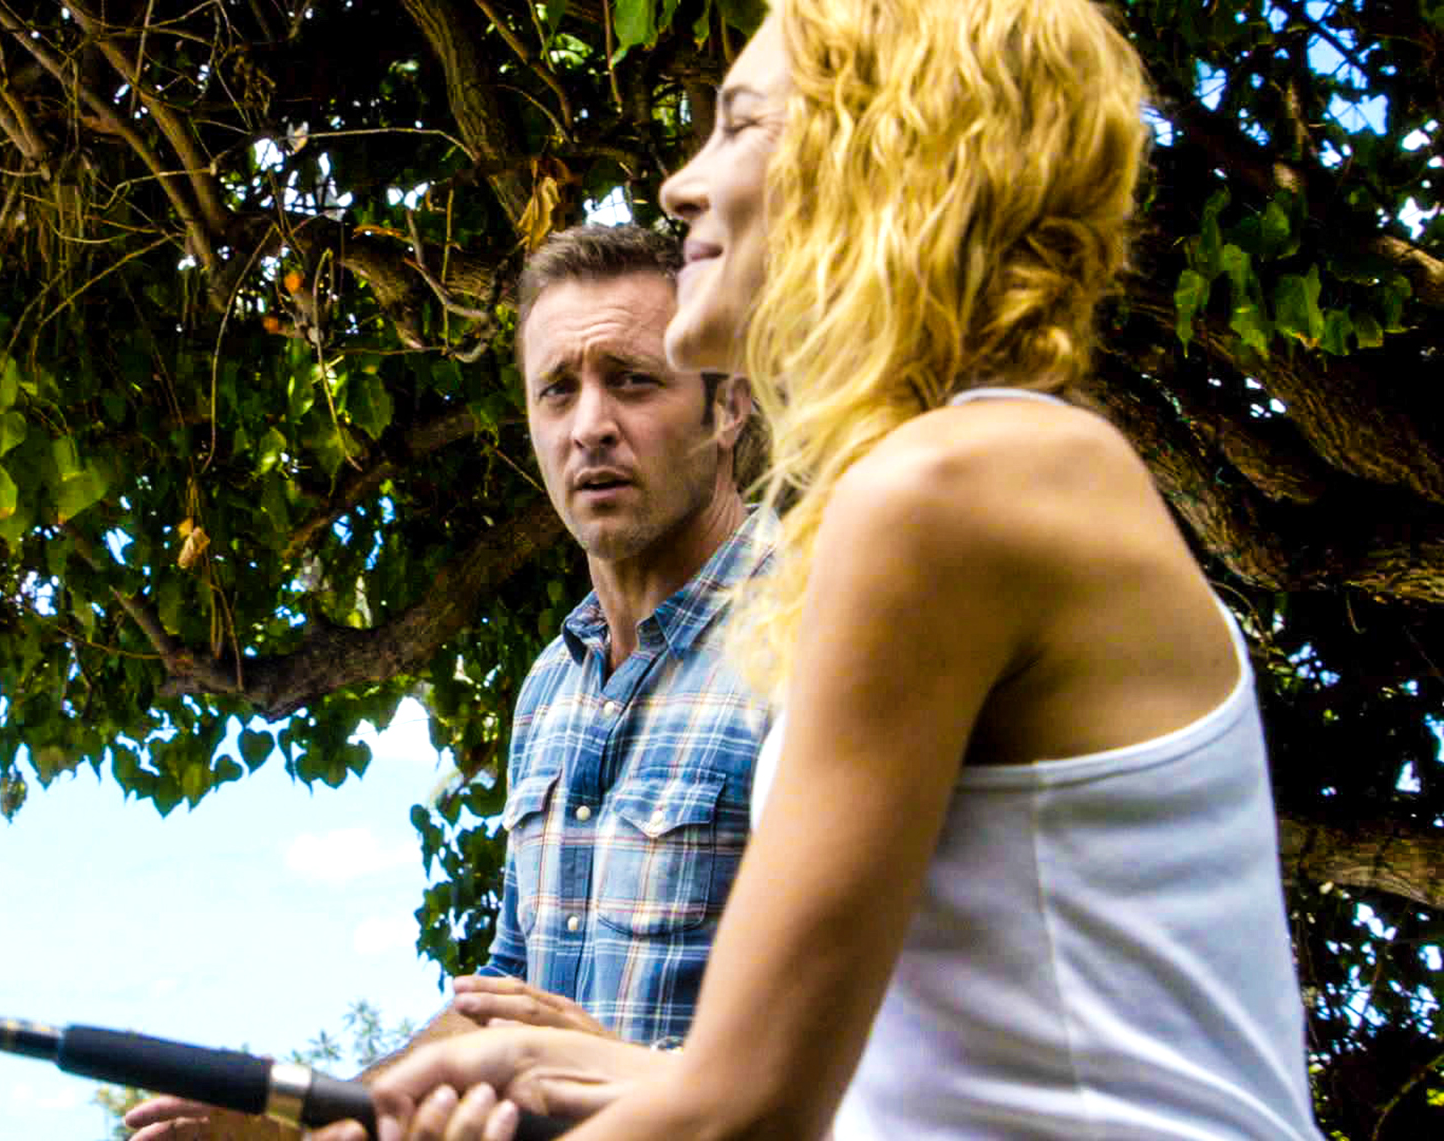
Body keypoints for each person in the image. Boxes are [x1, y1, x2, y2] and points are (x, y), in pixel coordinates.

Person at [313, 1, 1326, 1139]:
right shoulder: (978, 467)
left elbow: (744, 1111)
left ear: (883, 157)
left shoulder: (946, 488)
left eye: (740, 125)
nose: (680, 186)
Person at [125, 225, 775, 1141]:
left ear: (729, 406)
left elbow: (902, 1040)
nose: (589, 424)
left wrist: (624, 1079)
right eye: (557, 389)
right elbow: (502, 1004)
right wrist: (298, 1118)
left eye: (633, 379)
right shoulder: (552, 687)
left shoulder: (818, 641)